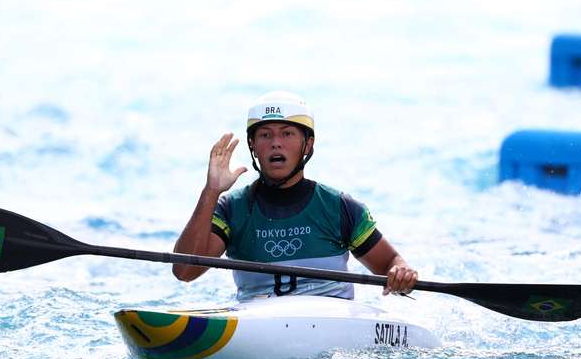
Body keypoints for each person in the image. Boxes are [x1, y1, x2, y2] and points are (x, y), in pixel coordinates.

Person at [172, 91, 418, 300]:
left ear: (307, 145)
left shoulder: (340, 207)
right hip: (258, 323)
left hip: (333, 324)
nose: (275, 143)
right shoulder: (231, 208)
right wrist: (211, 191)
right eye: (265, 135)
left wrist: (401, 272)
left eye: (287, 133)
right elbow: (184, 271)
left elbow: (390, 263)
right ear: (253, 146)